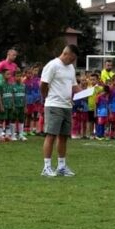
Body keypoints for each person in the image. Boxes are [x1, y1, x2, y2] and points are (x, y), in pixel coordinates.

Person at [40, 45, 79, 177]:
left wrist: (87, 93)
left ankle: (61, 166)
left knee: (63, 137)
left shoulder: (71, 68)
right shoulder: (52, 65)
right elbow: (43, 84)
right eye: (72, 58)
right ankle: (46, 167)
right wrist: (47, 97)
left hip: (67, 106)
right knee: (51, 135)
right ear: (66, 53)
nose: (73, 61)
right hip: (54, 105)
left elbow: (74, 86)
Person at [12, 70, 27, 141]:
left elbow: (24, 96)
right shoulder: (12, 86)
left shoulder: (23, 85)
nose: (19, 77)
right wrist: (13, 105)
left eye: (20, 76)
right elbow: (12, 97)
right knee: (13, 119)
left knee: (21, 120)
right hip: (15, 106)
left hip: (22, 105)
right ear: (14, 77)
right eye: (17, 76)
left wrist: (25, 106)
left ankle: (21, 134)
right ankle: (13, 134)